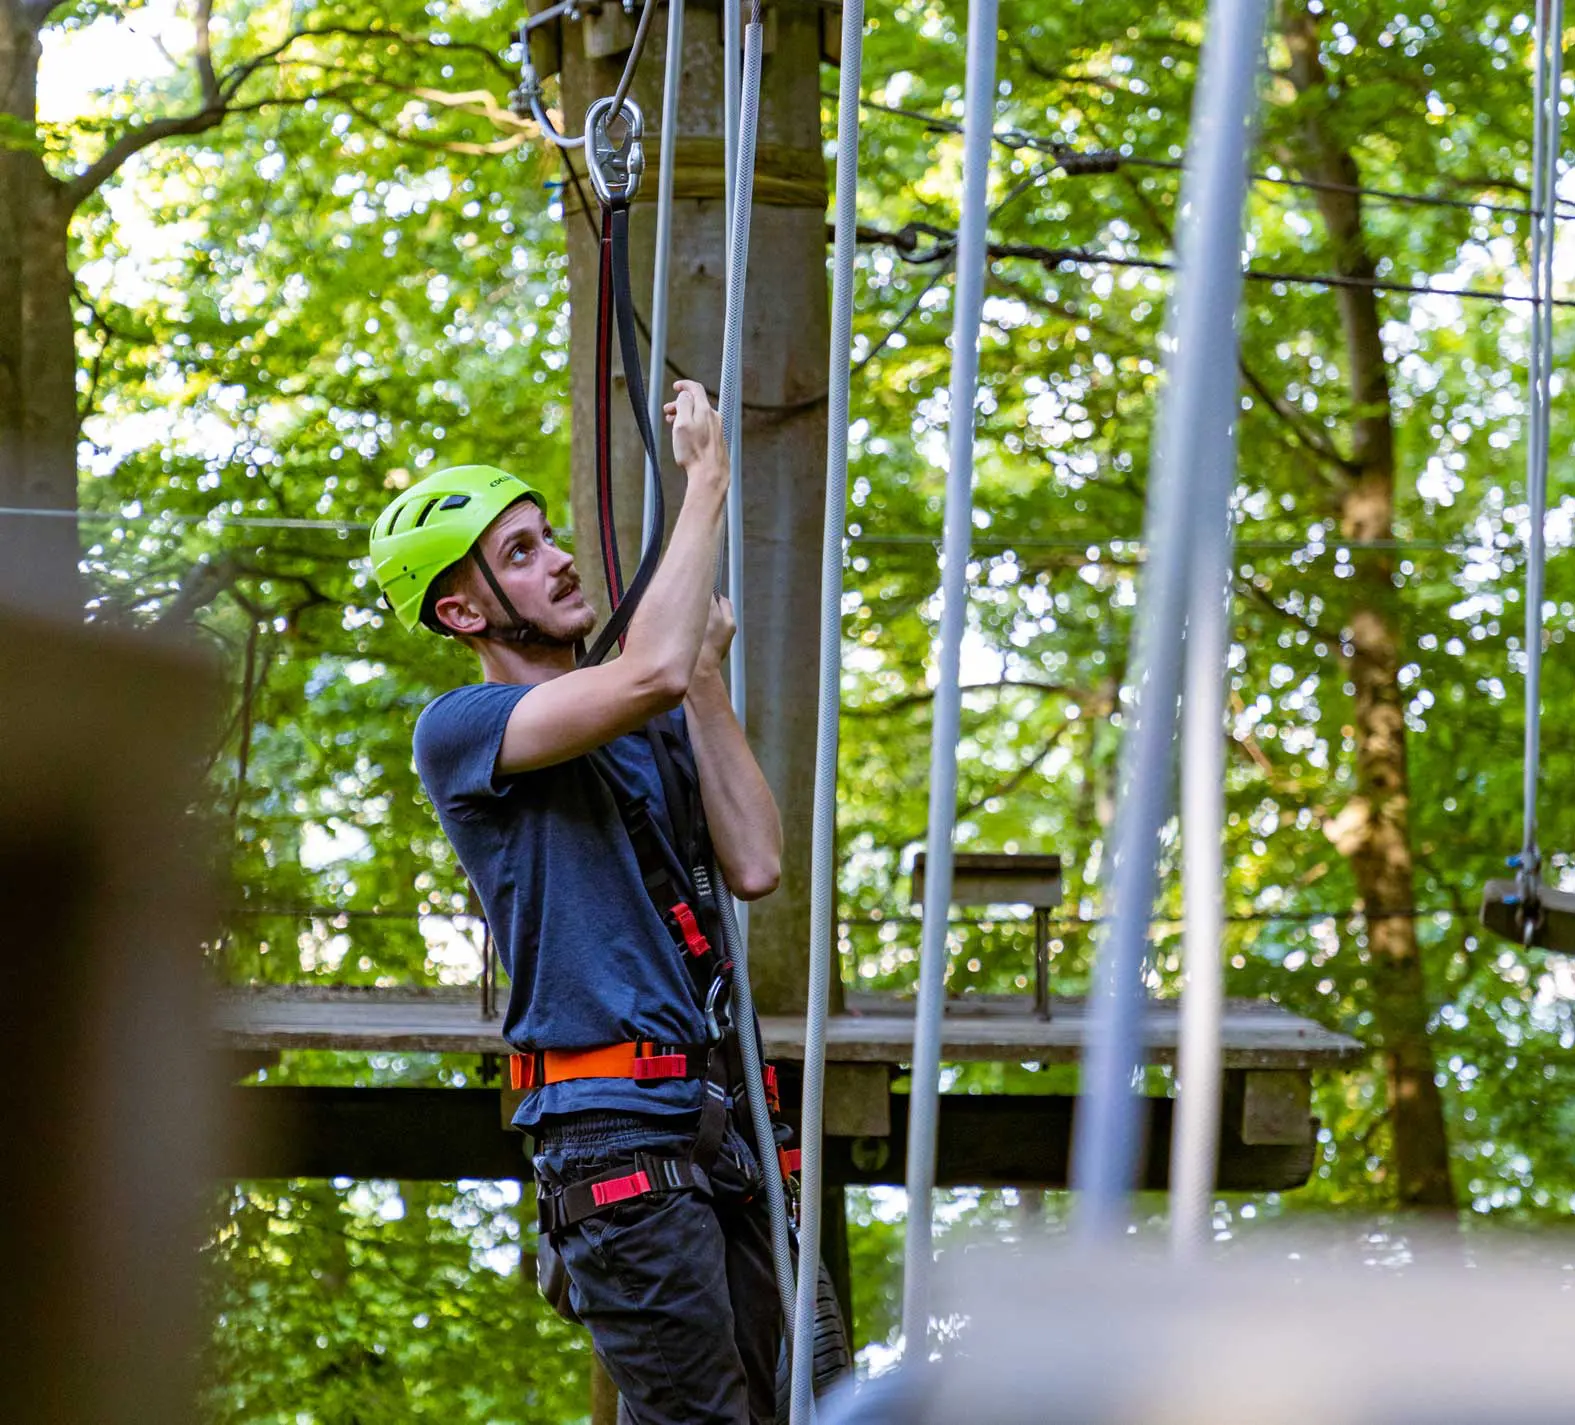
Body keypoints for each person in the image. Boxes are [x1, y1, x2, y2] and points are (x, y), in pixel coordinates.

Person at [368, 380, 786, 1424]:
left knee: (788, 1407)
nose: (558, 558)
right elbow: (639, 674)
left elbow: (755, 861)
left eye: (546, 537)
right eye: (518, 554)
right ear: (463, 612)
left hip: (708, 1123)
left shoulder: (643, 717)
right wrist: (707, 482)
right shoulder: (463, 730)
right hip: (611, 1139)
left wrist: (704, 683)